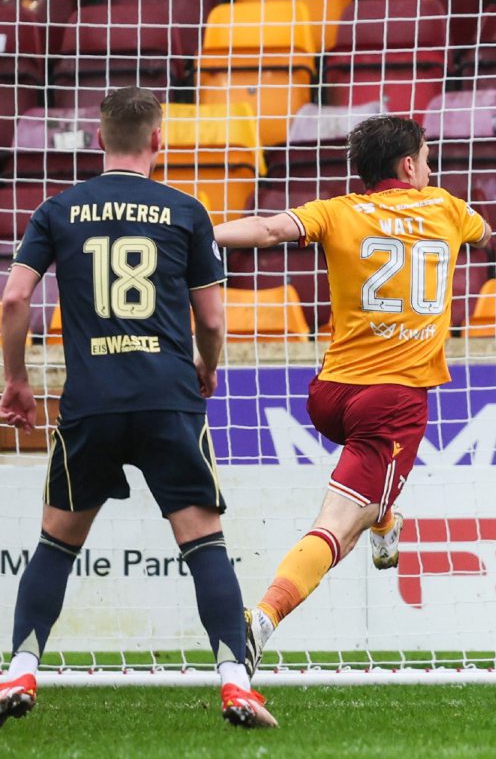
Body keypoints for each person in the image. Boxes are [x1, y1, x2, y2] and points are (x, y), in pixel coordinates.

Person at [0, 87, 275, 728]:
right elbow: (210, 316)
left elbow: (14, 301)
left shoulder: (58, 208)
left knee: (55, 545)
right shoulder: (187, 210)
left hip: (90, 402)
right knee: (204, 544)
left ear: (100, 141)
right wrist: (208, 366)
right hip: (167, 399)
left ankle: (19, 669)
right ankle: (235, 683)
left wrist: (15, 380)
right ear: (159, 141)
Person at [211, 114, 489, 672]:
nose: (430, 168)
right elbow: (484, 236)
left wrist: (196, 233)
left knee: (377, 491)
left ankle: (386, 517)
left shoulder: (337, 210)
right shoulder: (448, 208)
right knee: (342, 522)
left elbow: (267, 232)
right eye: (427, 158)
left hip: (330, 394)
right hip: (392, 401)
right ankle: (260, 620)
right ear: (409, 165)